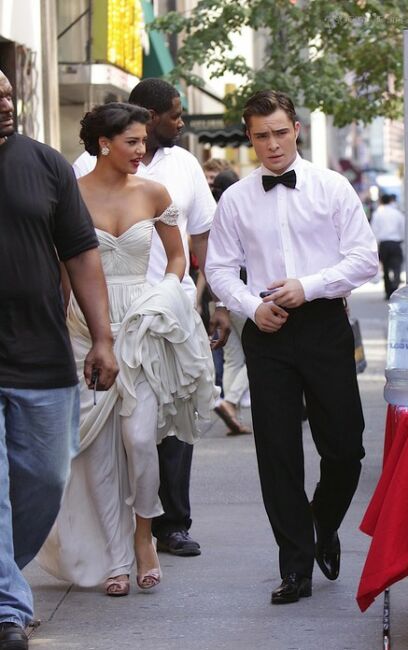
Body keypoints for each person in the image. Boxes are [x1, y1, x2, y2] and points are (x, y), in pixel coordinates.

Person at [206, 90, 379, 605]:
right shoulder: (236, 199)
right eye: (262, 136)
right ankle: (295, 566)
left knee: (345, 447)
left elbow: (364, 259)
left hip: (324, 323)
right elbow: (219, 268)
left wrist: (310, 284)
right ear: (250, 137)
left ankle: (322, 521)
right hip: (267, 330)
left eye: (280, 132)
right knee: (277, 452)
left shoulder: (332, 187)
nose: (273, 144)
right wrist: (248, 306)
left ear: (296, 129)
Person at [38, 102, 217, 596]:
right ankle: (116, 557)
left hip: (142, 327)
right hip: (84, 329)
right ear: (104, 144)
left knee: (139, 442)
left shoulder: (153, 192)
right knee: (96, 454)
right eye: (132, 141)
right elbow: (63, 274)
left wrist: (165, 294)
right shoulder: (69, 195)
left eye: (143, 141)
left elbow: (178, 256)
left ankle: (144, 535)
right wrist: (57, 332)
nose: (142, 150)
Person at [72, 78, 230, 558]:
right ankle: (115, 544)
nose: (180, 123)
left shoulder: (176, 173)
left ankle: (165, 527)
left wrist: (202, 299)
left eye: (143, 141)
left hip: (157, 316)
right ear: (106, 143)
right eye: (174, 114)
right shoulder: (75, 180)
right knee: (102, 443)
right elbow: (65, 261)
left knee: (158, 429)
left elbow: (196, 241)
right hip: (90, 320)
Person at [0, 70, 118, 650]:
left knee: (45, 480)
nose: (5, 102)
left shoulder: (47, 165)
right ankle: (7, 609)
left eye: (7, 92)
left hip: (41, 354)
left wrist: (103, 338)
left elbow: (81, 255)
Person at [211, 170, 252, 436]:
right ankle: (231, 401)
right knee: (255, 354)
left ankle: (232, 412)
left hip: (220, 296)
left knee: (233, 357)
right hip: (243, 293)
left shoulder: (211, 214)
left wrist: (217, 304)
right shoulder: (239, 211)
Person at [370, 193, 405, 299]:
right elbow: (403, 228)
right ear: (390, 201)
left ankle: (388, 291)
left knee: (385, 268)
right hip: (395, 243)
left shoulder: (377, 214)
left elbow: (373, 230)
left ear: (381, 201)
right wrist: (402, 239)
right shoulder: (397, 213)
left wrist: (375, 245)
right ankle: (395, 287)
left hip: (384, 244)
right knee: (397, 267)